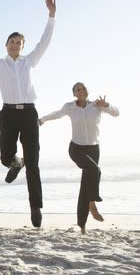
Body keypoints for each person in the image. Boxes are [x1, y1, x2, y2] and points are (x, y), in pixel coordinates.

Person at [0, 0, 56, 228]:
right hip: (8, 114)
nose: (16, 45)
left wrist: (51, 16)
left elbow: (44, 42)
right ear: (6, 44)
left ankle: (35, 207)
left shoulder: (29, 62)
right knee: (5, 157)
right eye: (12, 42)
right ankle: (15, 164)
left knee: (34, 162)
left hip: (29, 114)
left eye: (19, 43)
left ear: (22, 46)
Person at [39, 82, 119, 234]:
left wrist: (107, 105)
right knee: (94, 169)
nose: (81, 91)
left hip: (94, 148)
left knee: (86, 184)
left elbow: (116, 113)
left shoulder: (97, 105)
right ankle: (92, 203)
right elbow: (56, 114)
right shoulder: (70, 106)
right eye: (77, 89)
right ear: (74, 94)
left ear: (87, 91)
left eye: (83, 88)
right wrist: (41, 120)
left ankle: (81, 225)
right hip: (76, 148)